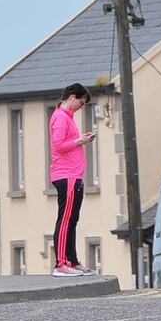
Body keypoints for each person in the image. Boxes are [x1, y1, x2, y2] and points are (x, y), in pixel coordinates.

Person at [50, 83, 96, 277]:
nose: (81, 106)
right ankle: (61, 263)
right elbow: (58, 145)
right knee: (66, 219)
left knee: (72, 220)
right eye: (81, 102)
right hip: (66, 175)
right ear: (72, 97)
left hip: (74, 176)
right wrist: (80, 141)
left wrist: (80, 139)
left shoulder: (68, 118)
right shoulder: (61, 118)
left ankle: (72, 261)